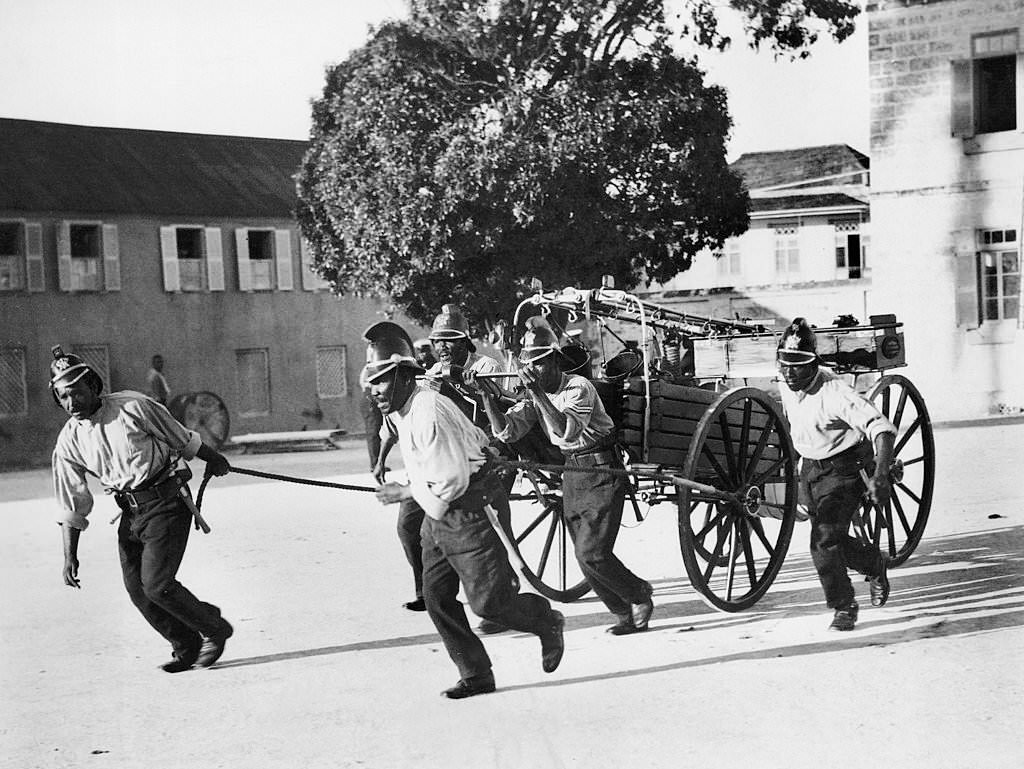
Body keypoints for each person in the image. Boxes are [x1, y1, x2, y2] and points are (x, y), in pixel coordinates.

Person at [364, 321, 565, 699]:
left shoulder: (428, 412)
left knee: (489, 604)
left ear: (405, 376)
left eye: (382, 381)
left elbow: (452, 478)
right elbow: (427, 465)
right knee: (437, 597)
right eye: (372, 382)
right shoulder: (404, 409)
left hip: (470, 506)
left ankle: (545, 620)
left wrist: (404, 490)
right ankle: (476, 674)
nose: (374, 391)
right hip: (438, 514)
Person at [49, 345, 235, 672]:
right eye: (62, 397)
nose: (71, 403)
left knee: (158, 583)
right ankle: (186, 646)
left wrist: (215, 459)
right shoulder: (69, 441)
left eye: (76, 392)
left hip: (166, 500)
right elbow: (72, 501)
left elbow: (181, 437)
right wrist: (69, 555)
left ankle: (213, 628)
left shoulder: (133, 406)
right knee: (138, 590)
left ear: (92, 386)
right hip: (130, 512)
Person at [471, 317, 655, 636]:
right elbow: (507, 431)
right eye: (530, 364)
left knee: (592, 552)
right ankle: (623, 612)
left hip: (602, 471)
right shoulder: (535, 393)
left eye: (540, 363)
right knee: (584, 558)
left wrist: (536, 394)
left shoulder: (578, 387)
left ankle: (640, 594)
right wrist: (487, 396)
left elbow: (565, 431)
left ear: (555, 360)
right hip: (573, 475)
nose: (534, 370)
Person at [775, 318, 897, 631]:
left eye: (798, 365)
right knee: (832, 537)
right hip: (810, 468)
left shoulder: (836, 394)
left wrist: (882, 474)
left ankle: (844, 606)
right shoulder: (786, 381)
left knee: (823, 539)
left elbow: (881, 428)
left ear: (814, 363)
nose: (789, 372)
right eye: (785, 363)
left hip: (845, 469)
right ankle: (874, 564)